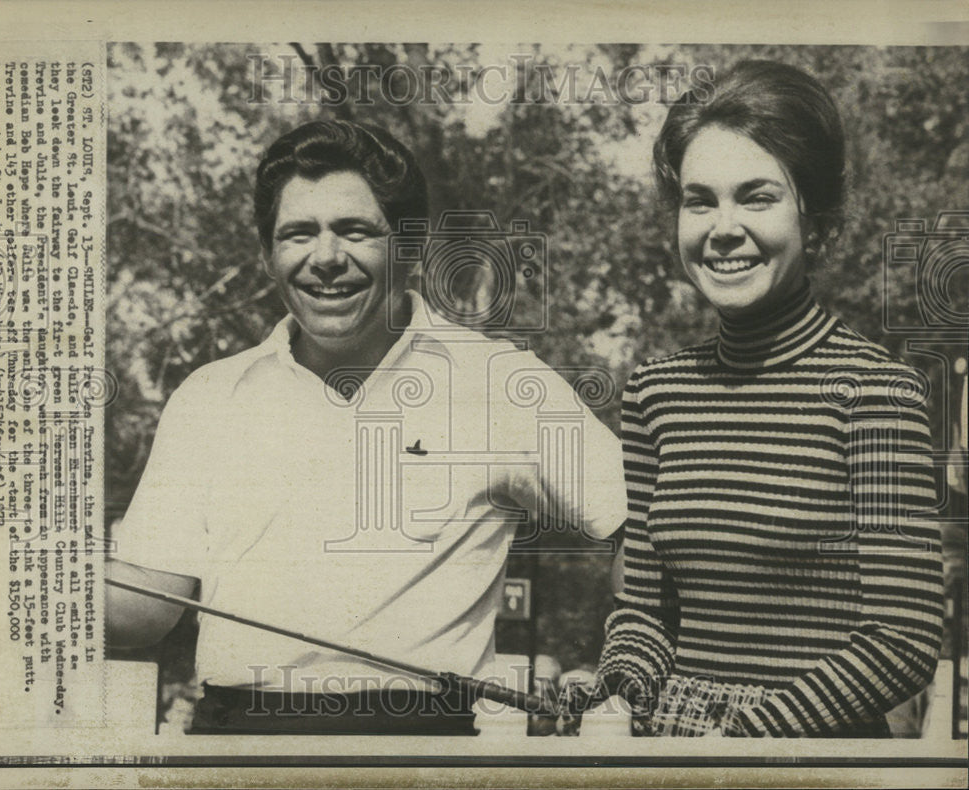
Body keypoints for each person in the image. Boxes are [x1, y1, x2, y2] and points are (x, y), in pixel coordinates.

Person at [106, 119, 626, 735]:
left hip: (422, 749)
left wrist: (625, 670)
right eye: (298, 233)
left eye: (355, 231)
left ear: (410, 245)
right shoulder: (208, 397)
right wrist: (30, 568)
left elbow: (645, 531)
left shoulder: (505, 384)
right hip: (234, 742)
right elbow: (144, 606)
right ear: (269, 254)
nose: (324, 258)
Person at [563, 60, 944, 737]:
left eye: (757, 197)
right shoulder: (655, 394)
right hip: (673, 758)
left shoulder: (876, 392)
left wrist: (743, 740)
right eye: (699, 200)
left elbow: (903, 640)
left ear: (817, 221)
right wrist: (620, 691)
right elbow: (644, 611)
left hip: (810, 763)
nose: (723, 228)